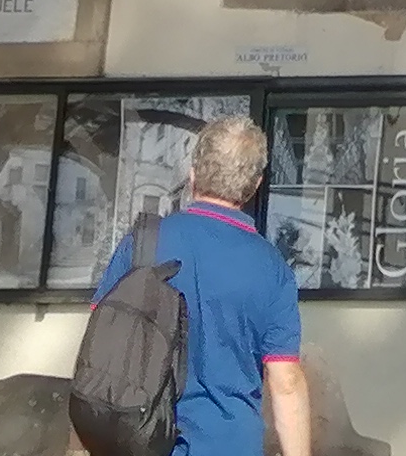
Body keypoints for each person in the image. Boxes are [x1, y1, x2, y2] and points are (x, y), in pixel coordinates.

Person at [90, 116, 310, 456]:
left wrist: (78, 446)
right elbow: (286, 383)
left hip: (137, 440)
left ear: (193, 174)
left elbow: (96, 345)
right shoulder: (273, 269)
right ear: (255, 185)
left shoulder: (142, 243)